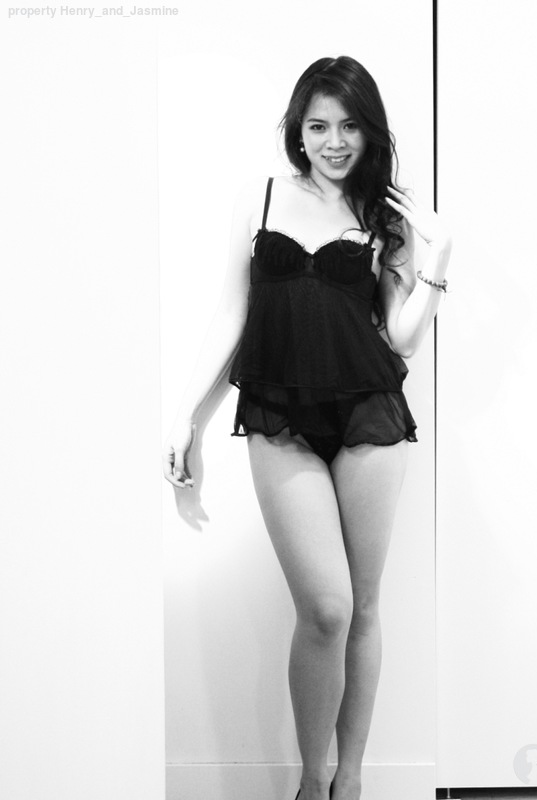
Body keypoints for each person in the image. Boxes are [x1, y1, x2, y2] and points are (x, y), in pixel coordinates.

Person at [162, 55, 452, 800]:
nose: (334, 142)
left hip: (368, 415)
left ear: (369, 130)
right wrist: (186, 415)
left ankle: (347, 782)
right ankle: (311, 780)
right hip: (281, 416)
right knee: (325, 608)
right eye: (319, 126)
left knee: (364, 606)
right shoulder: (260, 198)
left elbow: (402, 340)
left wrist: (438, 260)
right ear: (298, 129)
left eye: (349, 126)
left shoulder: (385, 216)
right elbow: (233, 312)